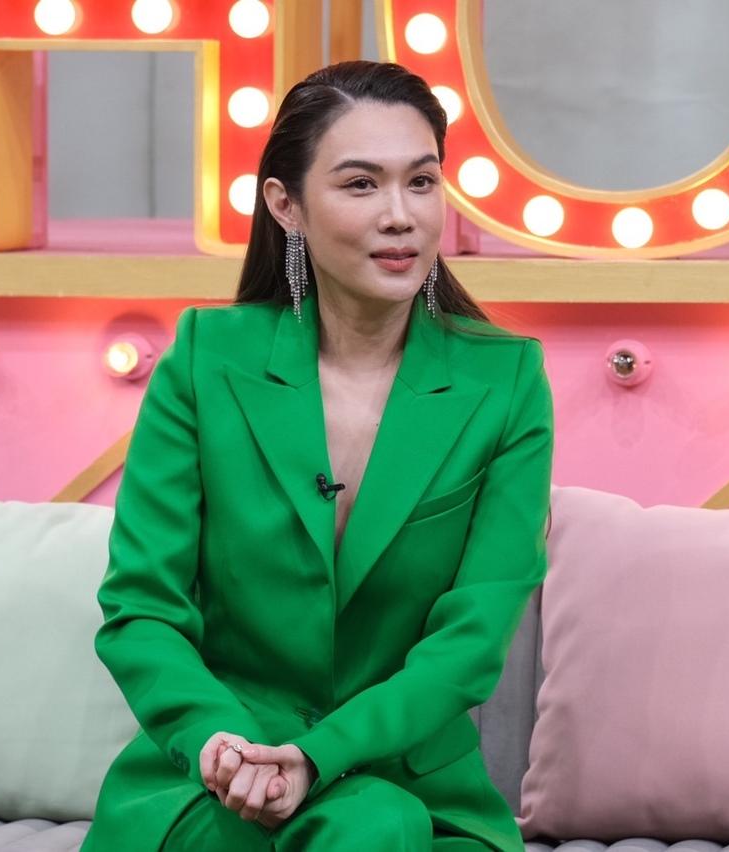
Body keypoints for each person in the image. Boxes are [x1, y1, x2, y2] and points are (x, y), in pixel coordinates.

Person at [80, 59, 554, 851]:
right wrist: (223, 746)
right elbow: (142, 608)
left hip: (415, 788)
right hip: (216, 775)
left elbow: (470, 643)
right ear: (286, 205)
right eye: (361, 184)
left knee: (377, 823)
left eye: (422, 182)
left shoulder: (505, 382)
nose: (400, 216)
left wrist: (316, 754)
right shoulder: (204, 359)